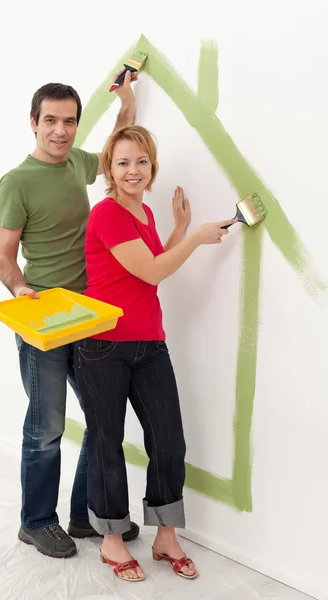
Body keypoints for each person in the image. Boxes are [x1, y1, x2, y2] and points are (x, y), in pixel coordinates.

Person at [75, 124, 236, 581]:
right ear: (109, 167)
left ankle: (166, 535)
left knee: (168, 439)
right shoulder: (106, 214)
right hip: (103, 345)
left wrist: (179, 229)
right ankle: (110, 541)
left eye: (141, 162)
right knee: (107, 442)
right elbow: (150, 271)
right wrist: (194, 237)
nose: (133, 170)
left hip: (149, 343)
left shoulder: (143, 212)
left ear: (152, 166)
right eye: (123, 162)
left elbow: (149, 271)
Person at [0, 71, 140, 559]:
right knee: (47, 426)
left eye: (70, 122)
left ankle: (83, 516)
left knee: (102, 421)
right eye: (51, 120)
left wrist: (126, 100)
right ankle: (35, 521)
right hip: (45, 318)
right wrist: (19, 288)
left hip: (90, 314)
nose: (60, 130)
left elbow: (116, 150)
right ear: (33, 123)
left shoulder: (78, 164)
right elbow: (3, 256)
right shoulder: (16, 182)